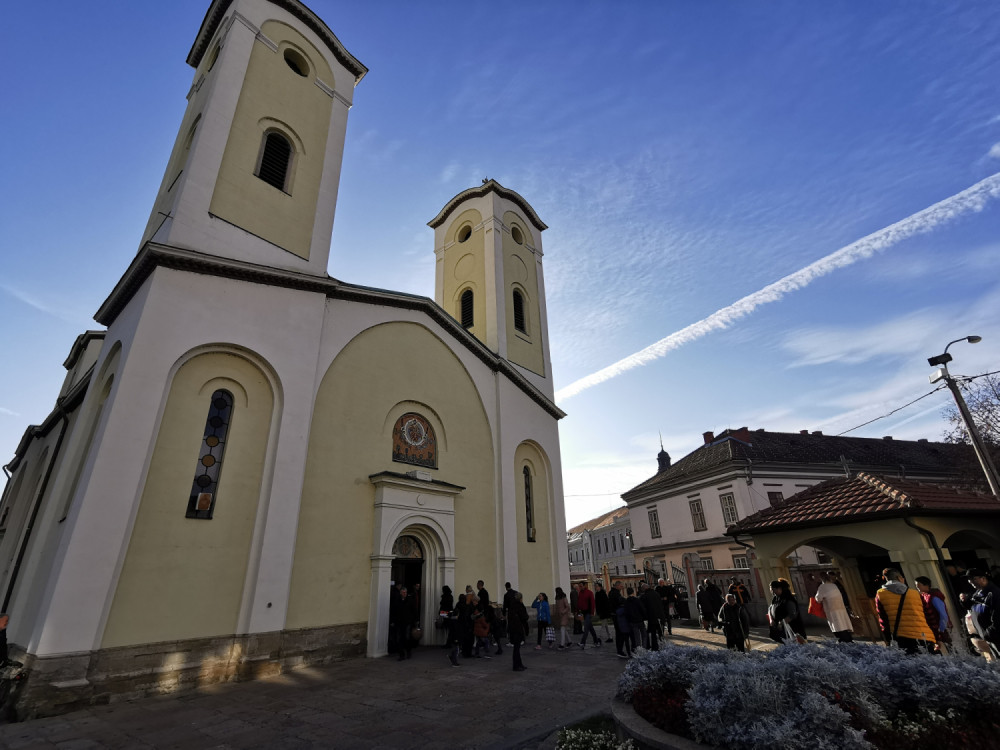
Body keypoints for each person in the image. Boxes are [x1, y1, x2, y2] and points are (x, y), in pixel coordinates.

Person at [874, 568, 935, 655]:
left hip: (901, 637)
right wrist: (936, 637)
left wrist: (888, 639)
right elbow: (928, 614)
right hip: (924, 635)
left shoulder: (880, 594)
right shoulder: (915, 593)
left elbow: (882, 619)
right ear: (899, 578)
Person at [961, 568, 1000, 658]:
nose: (970, 582)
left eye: (973, 579)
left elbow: (998, 617)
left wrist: (989, 633)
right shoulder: (977, 594)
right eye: (969, 580)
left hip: (996, 637)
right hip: (989, 638)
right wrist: (964, 601)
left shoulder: (994, 593)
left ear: (983, 578)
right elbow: (973, 608)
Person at [915, 575, 951, 654]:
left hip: (941, 628)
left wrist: (942, 629)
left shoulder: (934, 597)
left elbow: (943, 614)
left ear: (926, 585)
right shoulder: (924, 596)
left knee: (950, 649)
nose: (917, 586)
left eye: (919, 584)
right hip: (934, 629)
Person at [814, 571, 853, 643]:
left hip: (832, 609)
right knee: (844, 625)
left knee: (837, 627)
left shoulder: (822, 587)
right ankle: (848, 640)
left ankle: (843, 642)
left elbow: (818, 599)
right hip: (841, 608)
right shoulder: (834, 585)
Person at [767, 579, 806, 644]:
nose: (772, 592)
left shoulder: (788, 598)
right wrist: (771, 619)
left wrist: (782, 622)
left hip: (792, 628)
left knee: (795, 646)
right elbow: (770, 608)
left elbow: (792, 614)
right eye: (771, 590)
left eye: (773, 590)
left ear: (779, 588)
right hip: (781, 629)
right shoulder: (775, 598)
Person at [391, 586, 418, 660]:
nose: (404, 593)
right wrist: (393, 621)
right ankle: (401, 655)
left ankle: (408, 651)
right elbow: (394, 611)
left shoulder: (410, 600)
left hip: (408, 622)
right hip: (399, 622)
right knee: (399, 639)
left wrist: (415, 620)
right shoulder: (397, 601)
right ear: (400, 593)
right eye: (403, 592)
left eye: (405, 592)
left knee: (407, 638)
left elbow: (414, 611)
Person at [640, 582, 665, 651]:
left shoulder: (644, 596)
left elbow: (643, 609)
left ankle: (652, 647)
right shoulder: (656, 594)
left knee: (651, 634)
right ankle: (662, 646)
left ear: (643, 589)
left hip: (650, 618)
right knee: (660, 633)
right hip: (659, 617)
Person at [508, 592, 530, 671]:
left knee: (516, 648)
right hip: (518, 628)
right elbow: (524, 617)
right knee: (517, 648)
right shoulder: (520, 606)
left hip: (512, 629)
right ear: (521, 598)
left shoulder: (512, 606)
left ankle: (519, 664)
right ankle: (516, 665)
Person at [577, 581, 600, 648]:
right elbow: (579, 603)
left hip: (588, 612)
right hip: (583, 612)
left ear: (584, 586)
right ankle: (596, 641)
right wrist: (578, 612)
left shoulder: (589, 593)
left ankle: (583, 642)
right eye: (579, 586)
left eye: (581, 586)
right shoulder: (580, 593)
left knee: (586, 628)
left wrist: (592, 612)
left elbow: (592, 603)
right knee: (590, 628)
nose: (580, 587)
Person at [609, 581, 629, 658]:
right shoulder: (616, 593)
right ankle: (620, 650)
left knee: (618, 632)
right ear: (617, 586)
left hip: (614, 614)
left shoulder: (611, 592)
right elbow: (619, 602)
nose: (622, 588)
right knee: (620, 633)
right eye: (621, 586)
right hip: (617, 615)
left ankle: (619, 649)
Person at [624, 587, 646, 652]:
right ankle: (644, 648)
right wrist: (644, 617)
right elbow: (642, 609)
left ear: (627, 593)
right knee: (644, 635)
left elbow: (626, 612)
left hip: (632, 621)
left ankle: (639, 649)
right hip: (640, 620)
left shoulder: (626, 602)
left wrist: (629, 620)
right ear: (633, 592)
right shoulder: (637, 600)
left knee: (637, 637)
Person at [439, 585, 455, 649]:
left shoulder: (445, 597)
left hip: (445, 613)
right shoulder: (450, 596)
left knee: (447, 628)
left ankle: (448, 643)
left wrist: (441, 613)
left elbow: (443, 605)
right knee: (449, 629)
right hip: (449, 613)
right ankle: (449, 643)